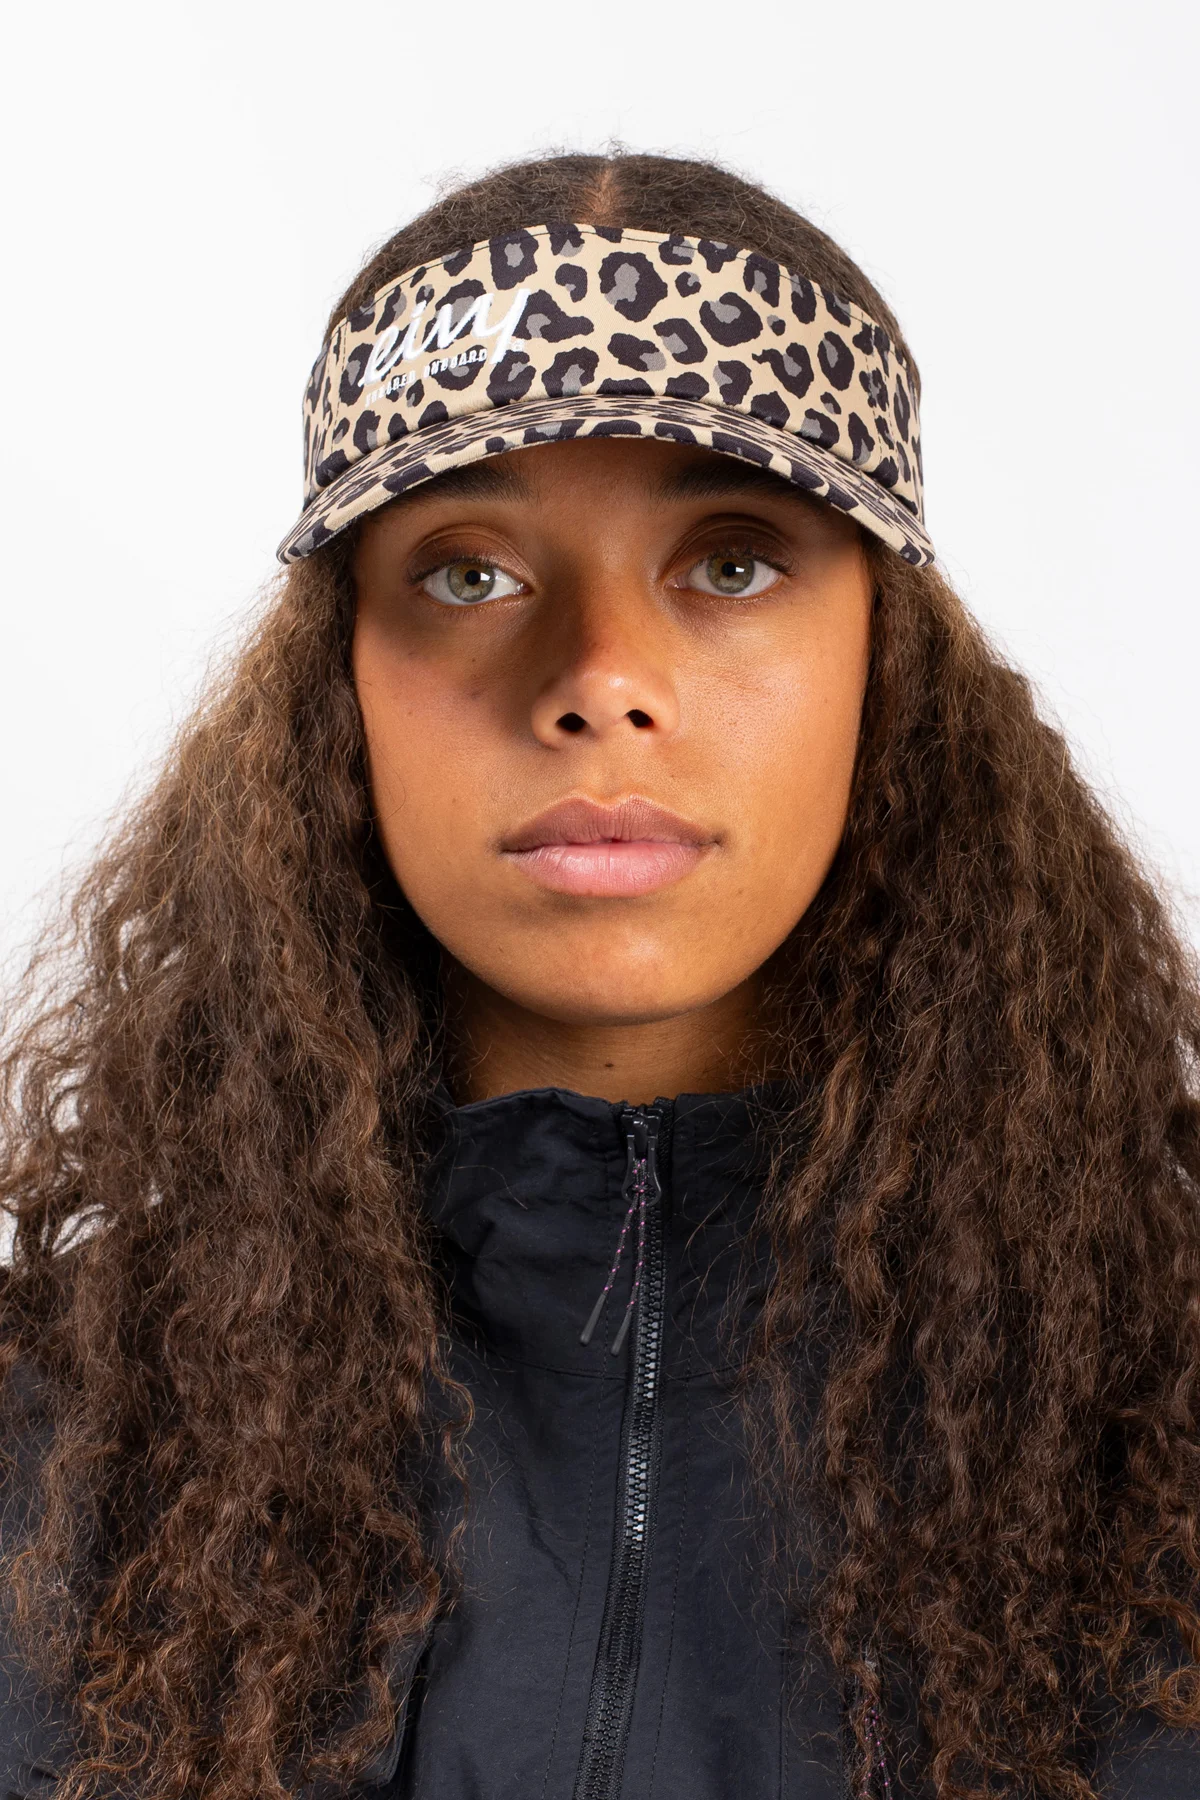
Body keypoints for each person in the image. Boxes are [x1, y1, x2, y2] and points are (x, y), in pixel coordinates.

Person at [1, 151, 1198, 1800]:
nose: (601, 680)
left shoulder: (1164, 1405)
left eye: (733, 561)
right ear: (337, 683)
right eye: (469, 572)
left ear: (887, 660)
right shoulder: (50, 1455)